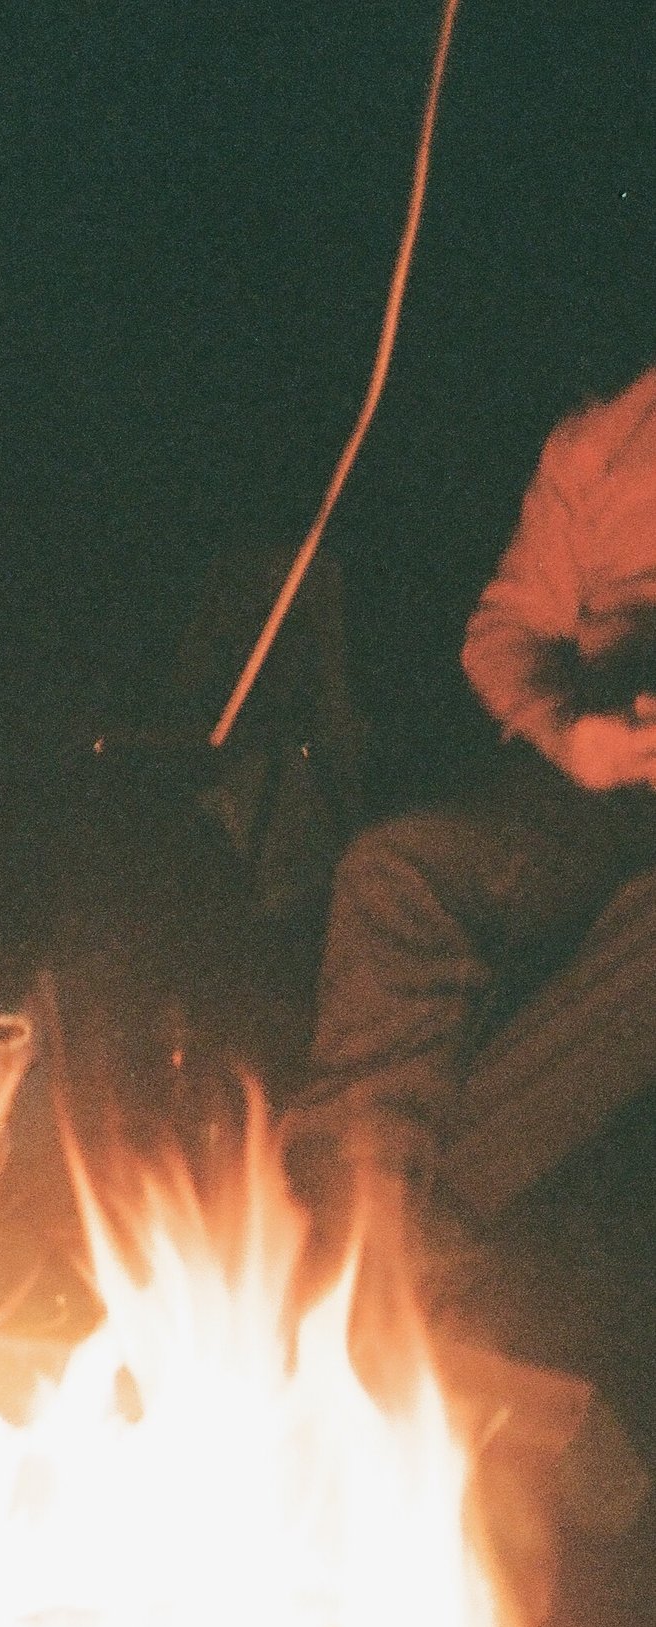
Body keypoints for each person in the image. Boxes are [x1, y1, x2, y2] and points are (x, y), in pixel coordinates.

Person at [295, 361, 656, 1243]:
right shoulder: (605, 440)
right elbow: (506, 633)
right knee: (398, 870)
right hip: (604, 778)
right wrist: (572, 734)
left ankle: (414, 1232)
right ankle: (340, 1215)